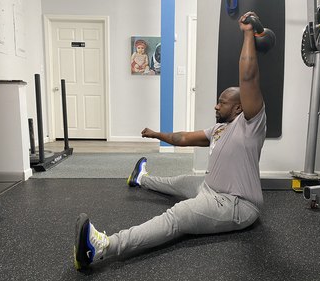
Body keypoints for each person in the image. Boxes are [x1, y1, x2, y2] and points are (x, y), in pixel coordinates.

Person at [74, 11, 266, 270]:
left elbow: (248, 78)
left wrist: (247, 35)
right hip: (209, 187)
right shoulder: (220, 129)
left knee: (176, 216)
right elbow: (184, 138)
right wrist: (157, 134)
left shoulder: (251, 125)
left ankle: (102, 247)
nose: (215, 105)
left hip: (235, 204)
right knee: (177, 182)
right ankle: (141, 178)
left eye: (222, 102)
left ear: (239, 108)